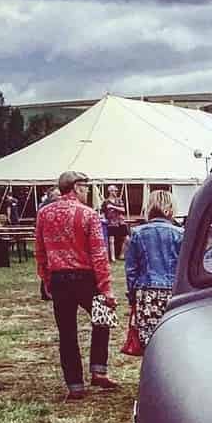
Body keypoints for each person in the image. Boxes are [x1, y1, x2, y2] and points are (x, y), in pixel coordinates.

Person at [35, 170, 119, 400]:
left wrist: (46, 279)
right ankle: (98, 370)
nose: (87, 191)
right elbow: (99, 254)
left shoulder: (44, 214)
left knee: (67, 333)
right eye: (85, 187)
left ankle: (75, 384)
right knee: (102, 320)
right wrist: (106, 288)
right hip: (85, 277)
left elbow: (40, 250)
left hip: (59, 278)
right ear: (76, 188)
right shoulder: (88, 214)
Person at [124, 190, 184, 348]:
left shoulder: (137, 233)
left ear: (149, 207)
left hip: (147, 293)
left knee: (150, 343)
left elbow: (131, 270)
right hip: (174, 293)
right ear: (171, 209)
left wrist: (132, 296)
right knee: (175, 340)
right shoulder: (181, 234)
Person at [101, 184, 129, 260]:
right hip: (111, 222)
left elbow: (123, 210)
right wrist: (103, 218)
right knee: (111, 240)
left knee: (127, 239)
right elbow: (103, 212)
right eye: (113, 190)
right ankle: (113, 258)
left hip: (121, 221)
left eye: (116, 191)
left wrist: (113, 207)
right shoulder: (105, 202)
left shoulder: (119, 200)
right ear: (110, 191)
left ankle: (122, 254)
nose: (115, 192)